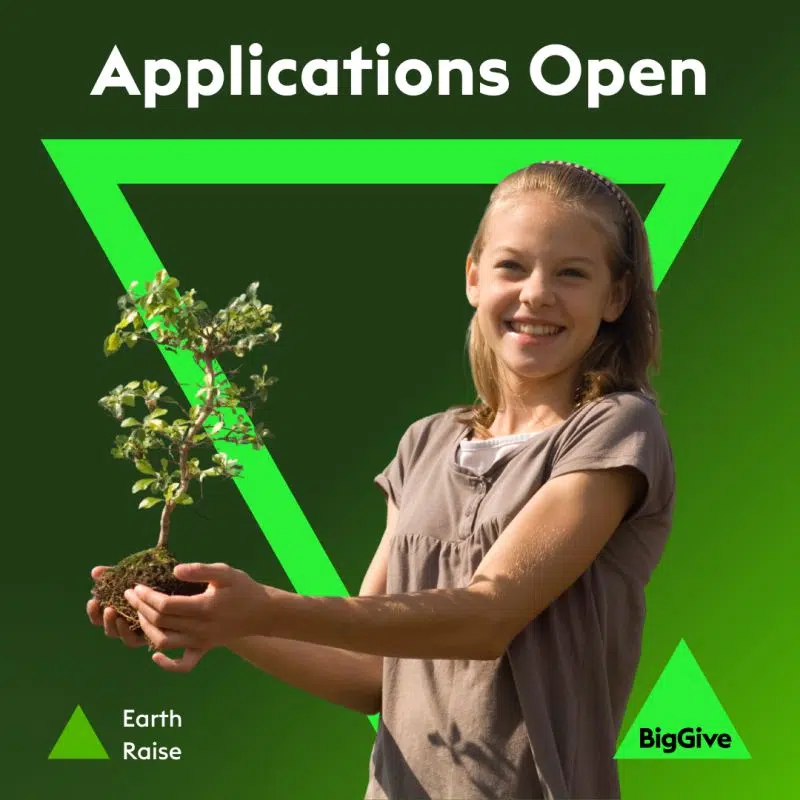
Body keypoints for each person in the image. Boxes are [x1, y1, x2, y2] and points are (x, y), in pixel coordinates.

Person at [87, 161, 675, 799]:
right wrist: (218, 621)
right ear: (473, 277)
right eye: (512, 266)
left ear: (615, 297)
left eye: (572, 273)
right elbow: (369, 672)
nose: (536, 293)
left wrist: (266, 606)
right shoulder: (425, 443)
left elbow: (487, 617)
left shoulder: (616, 429)